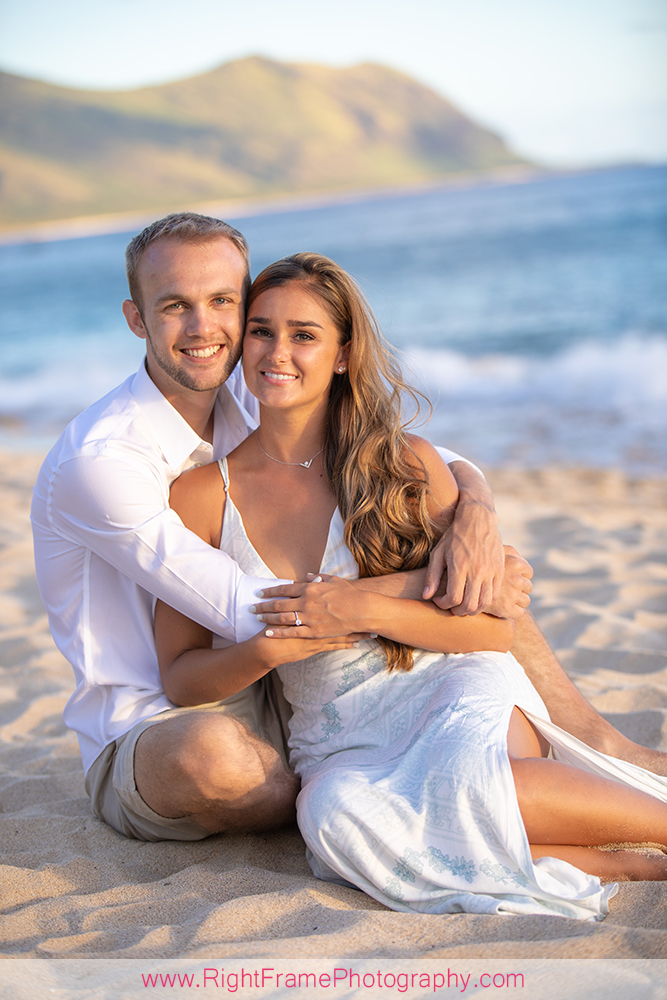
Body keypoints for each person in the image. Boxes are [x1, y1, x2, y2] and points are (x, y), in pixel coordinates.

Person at [30, 212, 666, 844]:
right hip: (163, 718)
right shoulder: (102, 463)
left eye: (223, 301)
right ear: (137, 318)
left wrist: (475, 509)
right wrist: (439, 588)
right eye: (175, 306)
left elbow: (410, 456)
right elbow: (249, 604)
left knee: (465, 563)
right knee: (242, 770)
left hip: (290, 693)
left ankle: (592, 737)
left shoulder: (245, 388)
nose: (204, 327)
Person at [155, 252, 667, 919]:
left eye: (303, 334)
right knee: (334, 818)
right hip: (337, 736)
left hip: (447, 687)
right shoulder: (199, 497)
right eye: (260, 330)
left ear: (342, 354)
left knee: (463, 781)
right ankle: (614, 863)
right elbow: (182, 676)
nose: (276, 352)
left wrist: (356, 608)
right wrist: (270, 650)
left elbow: (489, 629)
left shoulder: (404, 463)